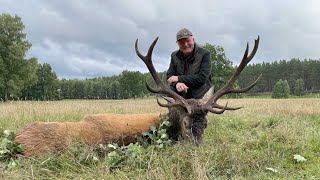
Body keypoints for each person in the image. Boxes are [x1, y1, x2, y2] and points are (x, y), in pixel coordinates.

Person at [166, 28, 212, 99]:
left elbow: (202, 78)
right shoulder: (174, 56)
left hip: (200, 94)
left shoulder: (204, 54)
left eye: (188, 41)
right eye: (182, 42)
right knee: (170, 90)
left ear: (193, 40)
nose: (185, 44)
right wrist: (177, 84)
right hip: (182, 92)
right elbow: (170, 76)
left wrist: (178, 78)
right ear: (178, 44)